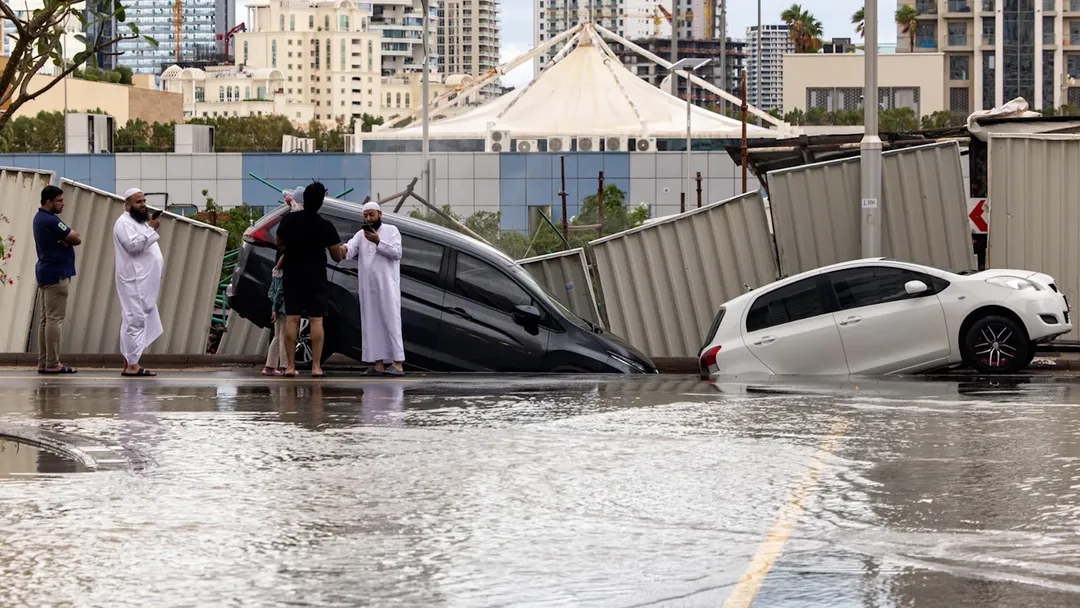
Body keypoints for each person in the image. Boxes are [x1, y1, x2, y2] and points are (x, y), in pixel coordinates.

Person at [275, 181, 345, 378]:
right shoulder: (326, 225)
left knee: (292, 318)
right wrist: (342, 249)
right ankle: (316, 367)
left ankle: (289, 366)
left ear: (304, 199)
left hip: (292, 274)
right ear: (321, 202)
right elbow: (336, 256)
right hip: (316, 276)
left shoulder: (289, 220)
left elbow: (279, 242)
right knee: (316, 320)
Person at [345, 201, 404, 376]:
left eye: (372, 215)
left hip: (387, 287)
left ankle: (397, 363)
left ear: (380, 214)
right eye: (365, 215)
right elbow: (349, 250)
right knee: (371, 324)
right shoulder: (360, 235)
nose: (369, 218)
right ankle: (378, 364)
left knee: (391, 322)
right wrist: (339, 249)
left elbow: (397, 253)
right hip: (368, 289)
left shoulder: (391, 231)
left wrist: (378, 242)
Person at [113, 187, 164, 377]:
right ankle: (133, 366)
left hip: (143, 281)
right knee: (135, 320)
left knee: (134, 319)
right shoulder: (123, 223)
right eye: (138, 202)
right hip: (134, 280)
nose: (143, 205)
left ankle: (129, 363)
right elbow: (133, 247)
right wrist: (151, 228)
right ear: (128, 204)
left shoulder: (138, 221)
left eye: (144, 201)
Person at [33, 185, 81, 375]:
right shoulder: (51, 220)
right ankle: (53, 363)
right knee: (54, 319)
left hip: (45, 272)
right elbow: (76, 238)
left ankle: (44, 362)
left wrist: (66, 238)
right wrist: (69, 238)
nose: (63, 203)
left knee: (46, 320)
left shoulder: (39, 218)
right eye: (59, 200)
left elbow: (69, 237)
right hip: (56, 274)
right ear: (48, 202)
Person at [262, 252, 287, 377]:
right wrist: (275, 308)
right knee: (284, 337)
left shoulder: (275, 273)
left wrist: (274, 307)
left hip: (277, 308)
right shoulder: (286, 275)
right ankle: (285, 366)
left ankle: (270, 366)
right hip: (285, 308)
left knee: (277, 336)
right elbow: (280, 292)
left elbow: (271, 292)